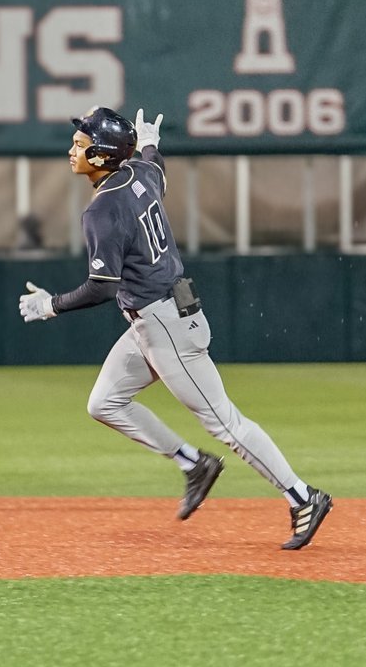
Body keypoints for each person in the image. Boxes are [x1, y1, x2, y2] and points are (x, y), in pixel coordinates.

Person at [19, 105, 333, 551]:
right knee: (104, 402)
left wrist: (52, 304)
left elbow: (102, 287)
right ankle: (193, 464)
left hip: (165, 323)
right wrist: (150, 143)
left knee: (225, 423)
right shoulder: (140, 175)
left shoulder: (102, 211)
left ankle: (303, 496)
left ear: (105, 156)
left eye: (82, 143)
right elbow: (155, 167)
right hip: (160, 315)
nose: (73, 149)